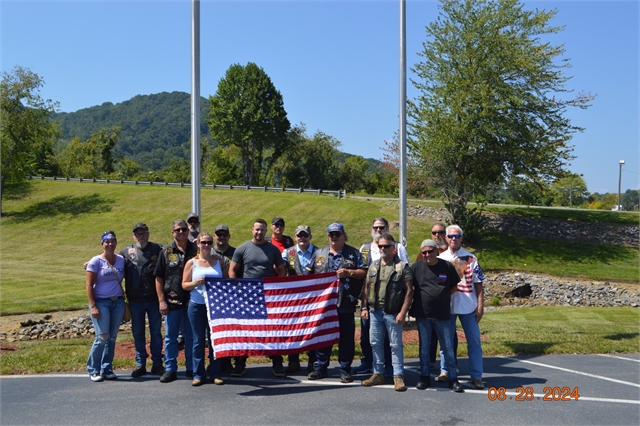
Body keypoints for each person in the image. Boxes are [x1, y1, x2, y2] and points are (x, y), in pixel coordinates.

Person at [308, 223, 366, 383]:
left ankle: (345, 369)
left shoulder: (353, 253)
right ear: (328, 236)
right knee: (323, 336)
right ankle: (320, 367)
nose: (334, 237)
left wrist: (350, 272)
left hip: (346, 301)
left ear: (343, 235)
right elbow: (309, 275)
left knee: (346, 338)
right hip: (324, 305)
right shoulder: (319, 253)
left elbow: (363, 273)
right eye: (331, 234)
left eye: (337, 234)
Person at [229, 218, 286, 377]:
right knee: (245, 330)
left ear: (266, 231)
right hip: (247, 296)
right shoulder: (242, 249)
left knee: (272, 330)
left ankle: (277, 363)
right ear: (252, 230)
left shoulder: (273, 250)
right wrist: (236, 290)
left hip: (268, 296)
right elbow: (232, 270)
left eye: (262, 230)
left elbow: (282, 270)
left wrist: (277, 288)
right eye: (257, 229)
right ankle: (240, 364)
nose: (259, 232)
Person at [356, 217, 410, 376]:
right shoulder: (365, 248)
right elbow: (364, 276)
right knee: (369, 336)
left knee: (391, 340)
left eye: (381, 228)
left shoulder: (398, 248)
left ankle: (390, 367)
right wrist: (364, 305)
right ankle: (368, 363)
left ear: (387, 228)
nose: (378, 231)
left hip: (391, 302)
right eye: (376, 228)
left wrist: (403, 308)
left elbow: (407, 275)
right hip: (371, 301)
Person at [410, 239, 463, 393]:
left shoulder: (446, 266)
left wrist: (443, 296)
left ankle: (453, 378)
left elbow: (454, 286)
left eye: (430, 251)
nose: (427, 255)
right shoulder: (416, 267)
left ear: (436, 251)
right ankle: (425, 376)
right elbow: (409, 288)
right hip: (423, 314)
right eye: (424, 252)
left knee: (447, 346)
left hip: (443, 314)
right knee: (425, 346)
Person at [438, 224, 486, 390]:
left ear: (461, 238)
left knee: (473, 341)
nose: (453, 239)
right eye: (450, 236)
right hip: (448, 305)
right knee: (446, 340)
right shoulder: (441, 258)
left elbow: (479, 283)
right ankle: (445, 370)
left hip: (468, 305)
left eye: (456, 236)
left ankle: (477, 375)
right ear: (446, 238)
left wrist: (480, 305)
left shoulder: (471, 258)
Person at [154, 219, 198, 383]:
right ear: (173, 232)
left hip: (193, 300)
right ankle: (170, 368)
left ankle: (191, 367)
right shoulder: (166, 251)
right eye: (178, 230)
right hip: (172, 300)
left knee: (191, 336)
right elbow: (159, 278)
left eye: (184, 229)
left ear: (188, 231)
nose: (181, 232)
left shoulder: (197, 250)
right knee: (171, 336)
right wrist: (161, 301)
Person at [182, 232, 228, 386]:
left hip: (215, 306)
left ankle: (215, 373)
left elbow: (226, 281)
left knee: (215, 340)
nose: (206, 245)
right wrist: (195, 283)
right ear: (198, 244)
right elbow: (184, 285)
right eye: (203, 242)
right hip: (196, 305)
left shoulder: (218, 261)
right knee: (197, 340)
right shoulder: (191, 263)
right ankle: (198, 374)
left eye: (209, 242)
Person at [120, 223, 165, 378]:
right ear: (133, 236)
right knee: (138, 333)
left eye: (143, 233)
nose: (141, 236)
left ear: (148, 234)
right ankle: (140, 363)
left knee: (156, 333)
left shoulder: (158, 249)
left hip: (153, 299)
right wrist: (92, 264)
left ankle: (157, 363)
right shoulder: (125, 252)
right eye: (138, 234)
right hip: (135, 300)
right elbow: (111, 265)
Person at [85, 231, 126, 382]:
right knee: (102, 336)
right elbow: (89, 285)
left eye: (112, 241)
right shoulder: (95, 261)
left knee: (112, 337)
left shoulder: (121, 260)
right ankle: (93, 369)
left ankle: (107, 368)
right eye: (106, 241)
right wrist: (93, 305)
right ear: (102, 244)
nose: (110, 244)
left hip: (118, 302)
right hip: (101, 302)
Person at [281, 224, 317, 373]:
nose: (302, 238)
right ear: (295, 237)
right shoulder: (287, 252)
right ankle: (293, 361)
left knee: (313, 329)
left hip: (313, 298)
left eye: (305, 235)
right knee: (293, 328)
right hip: (294, 298)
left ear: (310, 237)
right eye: (299, 235)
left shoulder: (319, 252)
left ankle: (313, 362)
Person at [414, 223, 448, 372]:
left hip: (447, 304)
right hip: (426, 306)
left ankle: (447, 367)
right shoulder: (424, 252)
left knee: (447, 337)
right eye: (434, 232)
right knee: (428, 338)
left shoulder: (449, 252)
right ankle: (429, 363)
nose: (437, 235)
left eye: (440, 232)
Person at [212, 224, 236, 375]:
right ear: (215, 236)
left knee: (229, 332)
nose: (221, 237)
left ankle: (227, 363)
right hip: (213, 298)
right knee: (214, 332)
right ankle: (215, 363)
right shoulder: (208, 251)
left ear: (229, 236)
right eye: (219, 234)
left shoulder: (235, 252)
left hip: (230, 297)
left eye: (224, 234)